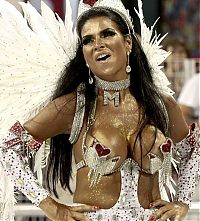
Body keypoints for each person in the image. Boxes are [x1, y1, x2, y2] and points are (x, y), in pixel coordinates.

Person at [0, 0, 199, 221]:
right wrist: (53, 208)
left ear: (128, 43)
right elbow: (8, 148)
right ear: (84, 54)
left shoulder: (160, 104)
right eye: (88, 40)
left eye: (107, 34)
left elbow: (192, 151)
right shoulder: (74, 107)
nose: (98, 44)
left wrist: (182, 202)